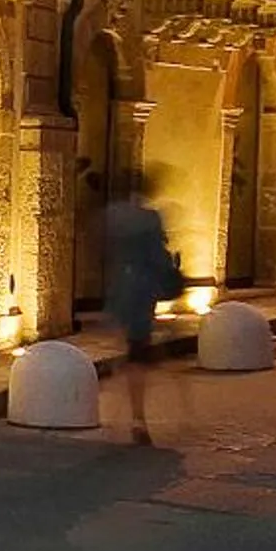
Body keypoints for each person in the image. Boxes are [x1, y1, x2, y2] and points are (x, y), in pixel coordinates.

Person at [100, 166, 183, 445]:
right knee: (137, 354)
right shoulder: (149, 218)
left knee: (128, 351)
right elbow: (158, 258)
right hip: (140, 293)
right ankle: (136, 418)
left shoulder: (112, 216)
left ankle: (118, 407)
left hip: (118, 291)